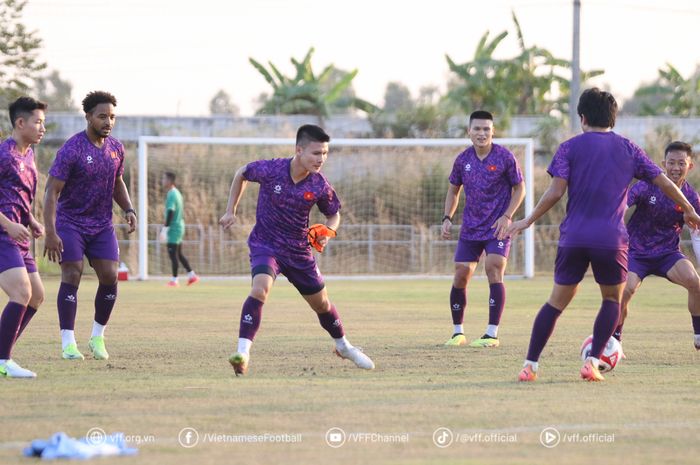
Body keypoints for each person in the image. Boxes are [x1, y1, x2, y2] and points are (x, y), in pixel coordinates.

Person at [504, 88, 700, 382]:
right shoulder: (629, 148)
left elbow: (555, 192)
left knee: (556, 302)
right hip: (611, 238)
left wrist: (527, 220)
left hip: (573, 237)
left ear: (582, 118)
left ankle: (529, 365)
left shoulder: (569, 148)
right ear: (614, 119)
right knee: (612, 300)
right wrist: (688, 208)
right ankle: (592, 362)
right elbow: (664, 184)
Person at [219, 124, 374, 375]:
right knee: (260, 288)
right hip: (266, 244)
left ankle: (343, 346)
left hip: (299, 252)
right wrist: (230, 210)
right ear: (299, 150)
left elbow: (334, 214)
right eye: (316, 153)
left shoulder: (320, 185)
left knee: (322, 305)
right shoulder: (272, 169)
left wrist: (327, 232)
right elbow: (242, 173)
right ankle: (243, 353)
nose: (321, 159)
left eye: (324, 153)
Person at [43, 91, 136, 361]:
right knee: (72, 274)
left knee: (110, 276)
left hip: (102, 225)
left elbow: (118, 182)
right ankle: (68, 343)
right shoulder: (72, 149)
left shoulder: (116, 148)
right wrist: (51, 232)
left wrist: (128, 208)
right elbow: (51, 191)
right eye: (102, 116)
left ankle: (97, 337)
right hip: (70, 222)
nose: (108, 121)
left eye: (112, 117)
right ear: (88, 117)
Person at [441, 110, 525, 348]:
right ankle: (458, 332)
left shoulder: (505, 157)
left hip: (497, 226)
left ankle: (491, 334)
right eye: (477, 129)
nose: (482, 133)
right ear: (469, 131)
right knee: (461, 272)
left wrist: (507, 216)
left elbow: (520, 189)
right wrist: (447, 217)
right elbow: (453, 190)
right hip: (471, 227)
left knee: (494, 267)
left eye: (486, 129)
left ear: (493, 131)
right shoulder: (462, 160)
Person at [615, 141, 700, 351]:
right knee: (626, 290)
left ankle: (698, 335)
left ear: (690, 166)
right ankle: (615, 340)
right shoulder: (647, 185)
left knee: (695, 283)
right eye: (671, 163)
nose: (676, 168)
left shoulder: (690, 197)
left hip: (668, 254)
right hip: (636, 252)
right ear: (664, 163)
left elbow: (697, 227)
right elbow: (624, 202)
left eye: (681, 163)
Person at [0, 97, 47, 378]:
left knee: (37, 296)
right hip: (2, 233)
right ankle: (3, 360)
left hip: (19, 234)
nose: (42, 128)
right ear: (20, 123)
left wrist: (30, 220)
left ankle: (1, 351)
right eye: (37, 122)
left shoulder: (28, 154)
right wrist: (7, 224)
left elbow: (18, 196)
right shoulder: (4, 155)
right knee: (21, 292)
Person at [159, 171, 198, 287]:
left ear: (169, 181)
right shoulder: (177, 193)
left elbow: (171, 211)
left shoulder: (172, 194)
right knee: (179, 254)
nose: (162, 181)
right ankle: (192, 275)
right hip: (179, 226)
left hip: (174, 228)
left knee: (173, 255)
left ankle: (174, 280)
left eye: (164, 179)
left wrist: (165, 229)